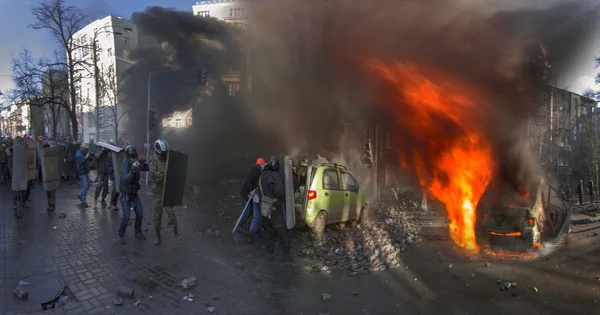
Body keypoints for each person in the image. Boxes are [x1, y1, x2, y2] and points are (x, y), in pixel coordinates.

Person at [258, 157, 290, 260]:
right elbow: (279, 192)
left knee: (270, 232)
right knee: (283, 232)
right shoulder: (275, 175)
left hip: (264, 208)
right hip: (274, 208)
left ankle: (269, 253)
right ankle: (286, 256)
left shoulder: (262, 175)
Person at [150, 139, 181, 245]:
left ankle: (176, 232)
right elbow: (154, 174)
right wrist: (165, 175)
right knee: (157, 216)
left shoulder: (167, 159)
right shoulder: (153, 160)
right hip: (158, 192)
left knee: (171, 213)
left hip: (166, 190)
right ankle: (158, 237)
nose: (164, 154)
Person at [118, 145, 149, 245]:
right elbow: (125, 179)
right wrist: (133, 170)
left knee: (140, 213)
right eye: (132, 156)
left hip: (134, 193)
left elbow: (146, 169)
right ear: (128, 156)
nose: (134, 157)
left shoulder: (135, 161)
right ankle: (121, 234)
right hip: (125, 193)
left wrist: (143, 163)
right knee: (126, 216)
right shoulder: (124, 165)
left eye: (135, 155)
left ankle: (138, 232)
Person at [238, 157, 266, 241]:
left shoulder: (259, 171)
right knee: (246, 212)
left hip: (249, 193)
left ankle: (250, 227)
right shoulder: (256, 170)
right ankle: (238, 225)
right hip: (246, 194)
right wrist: (250, 191)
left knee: (250, 212)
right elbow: (249, 181)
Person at [75, 143, 93, 208]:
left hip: (85, 171)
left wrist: (90, 156)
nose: (87, 150)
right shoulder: (78, 154)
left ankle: (81, 196)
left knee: (88, 185)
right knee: (85, 185)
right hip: (81, 171)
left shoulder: (84, 153)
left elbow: (89, 159)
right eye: (86, 149)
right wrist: (86, 157)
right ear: (82, 148)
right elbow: (81, 162)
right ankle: (83, 199)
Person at [42, 142, 56, 211]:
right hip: (47, 177)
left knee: (51, 192)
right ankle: (50, 204)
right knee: (49, 192)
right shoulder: (43, 156)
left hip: (51, 176)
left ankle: (52, 204)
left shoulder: (52, 156)